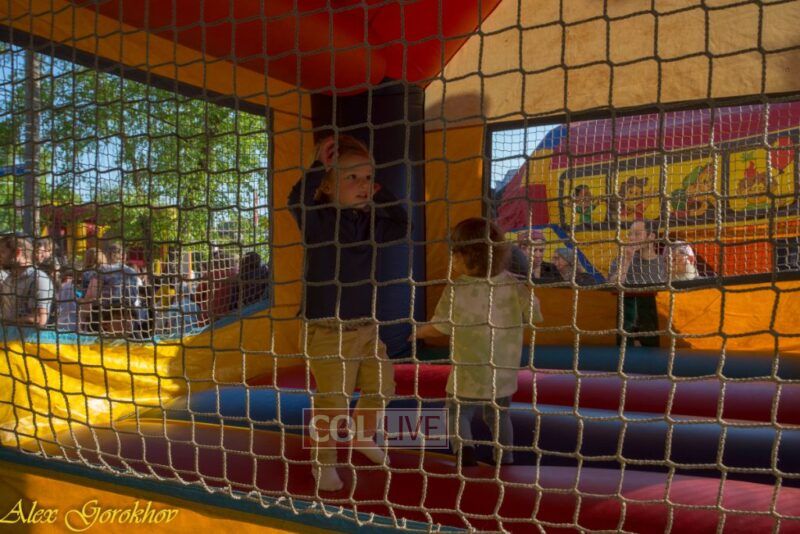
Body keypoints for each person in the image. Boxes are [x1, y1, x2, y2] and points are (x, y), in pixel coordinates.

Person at [288, 134, 408, 492]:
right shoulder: (319, 222)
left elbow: (403, 226)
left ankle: (361, 435)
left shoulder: (370, 223)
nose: (363, 184)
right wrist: (317, 168)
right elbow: (296, 200)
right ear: (327, 186)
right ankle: (323, 462)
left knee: (382, 387)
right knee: (333, 402)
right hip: (328, 330)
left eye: (368, 178)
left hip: (366, 328)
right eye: (352, 177)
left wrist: (381, 193)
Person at [411, 218, 542, 467]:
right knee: (499, 416)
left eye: (454, 254)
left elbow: (441, 326)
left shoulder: (457, 289)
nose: (452, 260)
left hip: (469, 371)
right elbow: (533, 315)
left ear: (466, 256)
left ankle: (465, 450)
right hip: (502, 372)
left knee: (456, 412)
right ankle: (505, 457)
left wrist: (417, 332)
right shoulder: (513, 284)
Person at [608, 220, 666, 347]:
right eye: (630, 234)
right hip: (626, 326)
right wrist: (627, 260)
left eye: (637, 234)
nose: (631, 238)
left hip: (656, 327)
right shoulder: (620, 261)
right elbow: (612, 288)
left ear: (651, 236)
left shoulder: (665, 264)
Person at [85, 241, 143, 336]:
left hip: (109, 316)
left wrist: (84, 317)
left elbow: (92, 295)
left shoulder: (103, 269)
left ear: (111, 255)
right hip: (130, 315)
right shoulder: (132, 271)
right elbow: (135, 295)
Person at [0, 236, 54, 327]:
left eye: (2, 252)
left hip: (28, 336)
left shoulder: (38, 278)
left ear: (17, 253)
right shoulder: (8, 279)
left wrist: (6, 322)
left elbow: (39, 319)